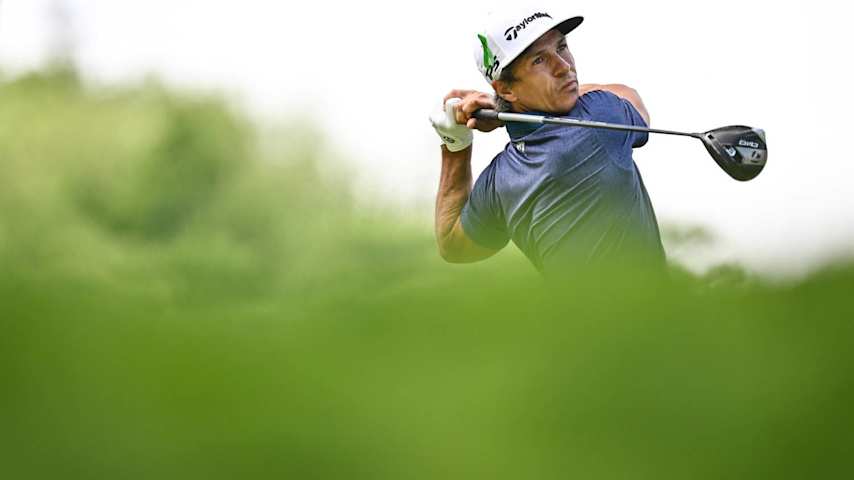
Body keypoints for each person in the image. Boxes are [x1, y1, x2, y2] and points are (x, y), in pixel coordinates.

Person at [430, 8, 665, 276]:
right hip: (652, 317)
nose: (564, 67)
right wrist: (504, 111)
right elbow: (629, 96)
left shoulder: (499, 179)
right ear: (505, 88)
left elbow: (452, 244)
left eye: (561, 46)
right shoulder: (598, 119)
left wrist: (456, 144)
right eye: (539, 60)